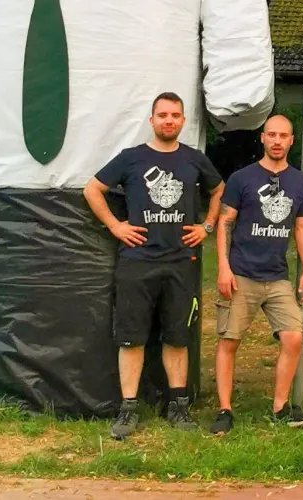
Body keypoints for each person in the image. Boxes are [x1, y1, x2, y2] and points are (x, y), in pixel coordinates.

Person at [85, 92, 224, 440]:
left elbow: (220, 189)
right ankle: (128, 410)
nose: (168, 120)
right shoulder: (132, 159)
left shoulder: (194, 160)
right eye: (162, 115)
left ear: (182, 121)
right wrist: (116, 226)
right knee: (131, 339)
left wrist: (207, 226)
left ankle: (178, 406)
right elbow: (93, 189)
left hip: (181, 263)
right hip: (137, 263)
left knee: (178, 337)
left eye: (175, 115)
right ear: (152, 120)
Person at [210, 113, 303, 433]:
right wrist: (223, 268)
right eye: (271, 135)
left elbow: (301, 226)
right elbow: (224, 223)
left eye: (283, 136)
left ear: (291, 141)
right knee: (229, 340)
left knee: (293, 336)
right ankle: (224, 410)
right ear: (262, 138)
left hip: (277, 276)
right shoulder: (242, 178)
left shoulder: (299, 182)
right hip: (242, 273)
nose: (276, 141)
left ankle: (281, 408)